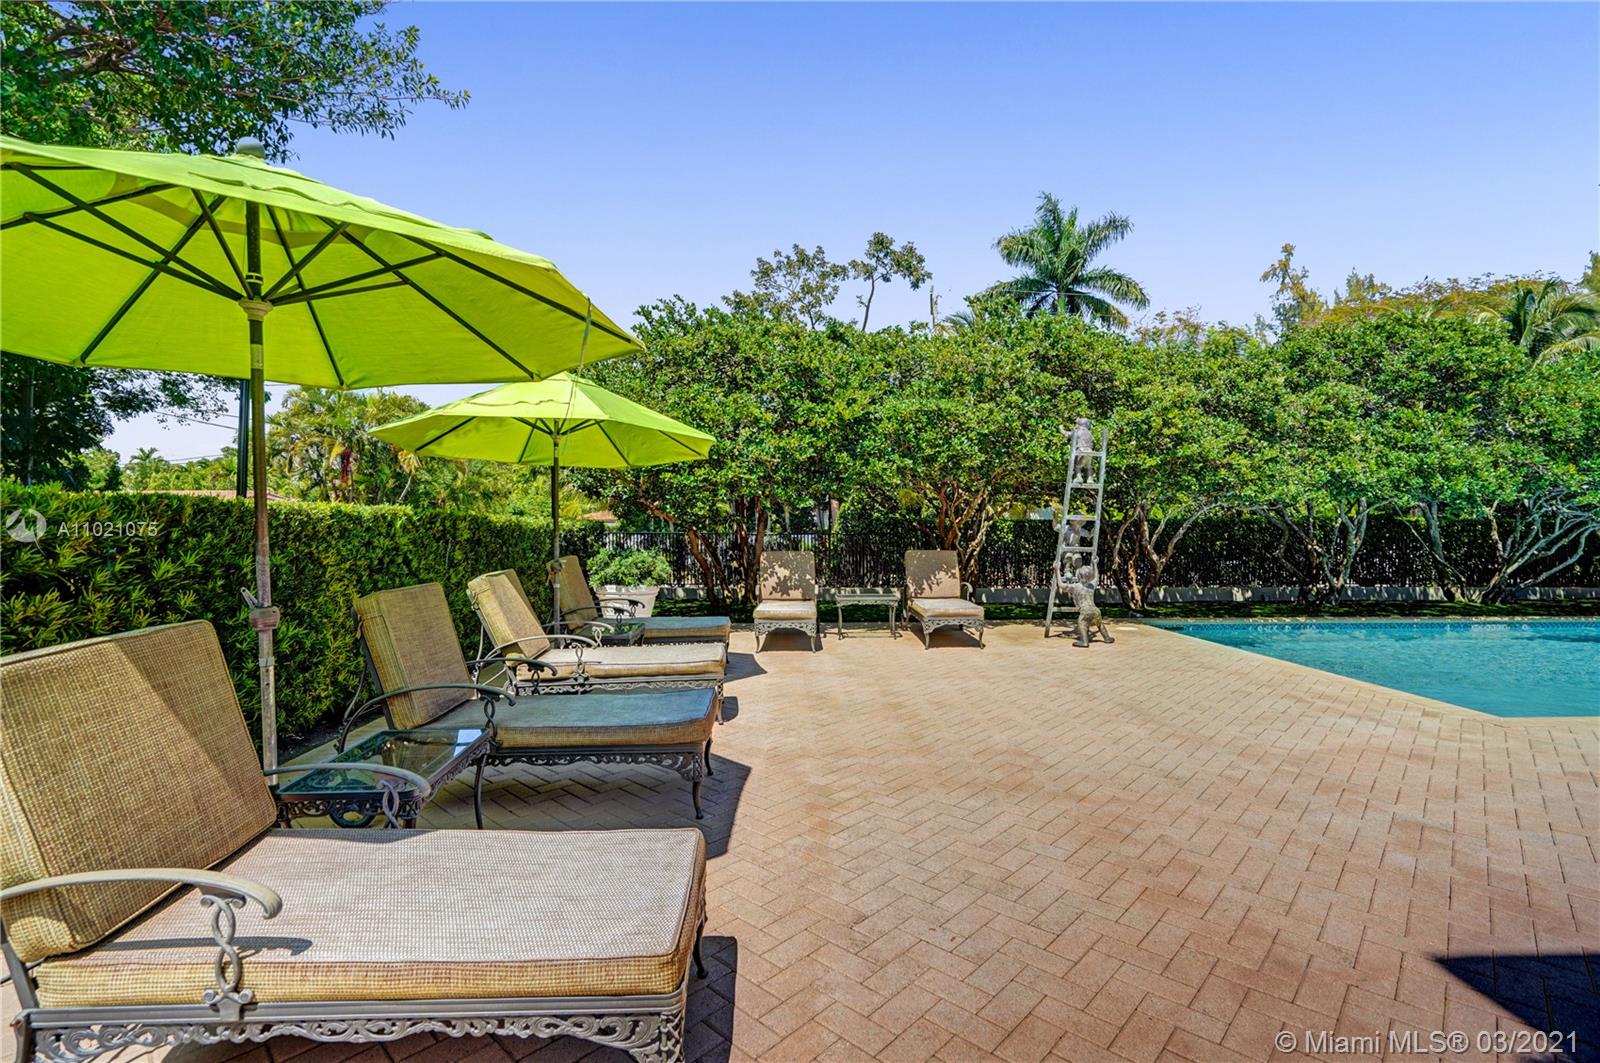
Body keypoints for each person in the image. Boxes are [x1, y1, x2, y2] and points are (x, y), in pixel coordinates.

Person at [1067, 563, 1115, 648]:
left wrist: (1056, 570)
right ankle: (1107, 638)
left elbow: (1060, 585)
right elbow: (1097, 576)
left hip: (1085, 611)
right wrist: (1095, 564)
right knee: (1100, 624)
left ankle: (1084, 642)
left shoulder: (1076, 586)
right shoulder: (1091, 585)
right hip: (1095, 610)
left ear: (1079, 575)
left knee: (1082, 624)